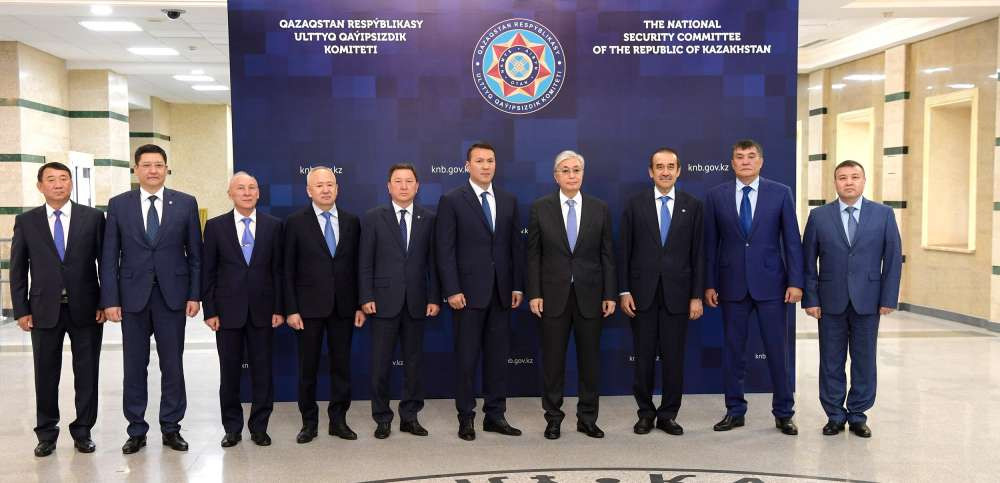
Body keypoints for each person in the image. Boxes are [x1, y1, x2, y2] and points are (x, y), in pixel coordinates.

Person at [102, 144, 203, 453]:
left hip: (172, 297)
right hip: (132, 298)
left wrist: (195, 294)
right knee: (134, 366)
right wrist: (110, 299)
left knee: (172, 366)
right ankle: (136, 429)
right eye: (146, 165)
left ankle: (171, 427)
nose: (153, 170)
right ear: (136, 169)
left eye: (158, 164)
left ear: (166, 168)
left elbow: (196, 255)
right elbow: (109, 257)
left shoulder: (185, 203)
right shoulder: (118, 205)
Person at [703, 139, 804, 436]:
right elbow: (710, 244)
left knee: (777, 352)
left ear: (760, 161)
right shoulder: (716, 196)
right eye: (739, 157)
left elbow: (792, 241)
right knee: (734, 352)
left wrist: (796, 281)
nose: (745, 161)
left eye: (751, 156)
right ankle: (735, 411)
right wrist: (709, 283)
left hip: (772, 285)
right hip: (731, 285)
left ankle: (784, 413)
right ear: (732, 163)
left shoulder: (781, 193)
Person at [10, 162, 106, 457]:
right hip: (42, 310)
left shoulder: (93, 218)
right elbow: (17, 269)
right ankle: (46, 433)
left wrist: (105, 302)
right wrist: (21, 310)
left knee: (87, 373)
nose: (58, 184)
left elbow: (105, 263)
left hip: (87, 308)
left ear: (71, 184)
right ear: (40, 186)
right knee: (45, 374)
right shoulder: (27, 221)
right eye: (51, 179)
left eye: (64, 178)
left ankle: (83, 431)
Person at [802, 160, 902, 438]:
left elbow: (893, 259)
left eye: (855, 177)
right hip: (829, 301)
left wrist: (888, 297)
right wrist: (811, 298)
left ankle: (858, 414)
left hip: (868, 300)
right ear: (835, 182)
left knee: (864, 360)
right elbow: (808, 261)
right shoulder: (819, 216)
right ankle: (834, 415)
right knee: (830, 360)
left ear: (864, 181)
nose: (849, 182)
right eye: (843, 177)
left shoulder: (883, 214)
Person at [436, 142, 524, 441]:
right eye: (479, 161)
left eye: (490, 160)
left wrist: (516, 285)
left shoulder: (509, 200)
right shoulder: (452, 200)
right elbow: (445, 250)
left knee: (498, 359)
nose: (486, 166)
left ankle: (495, 416)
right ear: (467, 165)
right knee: (466, 360)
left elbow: (515, 247)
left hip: (501, 293)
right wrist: (452, 289)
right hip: (467, 295)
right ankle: (466, 418)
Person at [527, 150, 617, 440]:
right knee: (553, 363)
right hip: (552, 297)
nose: (571, 175)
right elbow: (533, 255)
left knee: (589, 363)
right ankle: (553, 418)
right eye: (565, 170)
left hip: (591, 296)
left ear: (583, 174)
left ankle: (587, 419)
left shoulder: (599, 208)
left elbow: (607, 255)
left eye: (576, 170)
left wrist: (610, 294)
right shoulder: (540, 208)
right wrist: (534, 293)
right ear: (556, 176)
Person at [618, 148, 705, 436]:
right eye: (659, 166)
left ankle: (668, 415)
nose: (665, 171)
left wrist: (696, 296)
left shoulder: (693, 206)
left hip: (678, 296)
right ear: (650, 171)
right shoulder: (635, 205)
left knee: (674, 359)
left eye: (670, 166)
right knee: (643, 359)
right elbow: (624, 251)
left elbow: (698, 254)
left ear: (679, 171)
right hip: (641, 296)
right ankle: (645, 413)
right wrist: (624, 291)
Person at [202, 172, 284, 448]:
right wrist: (210, 310)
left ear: (258, 193)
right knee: (229, 374)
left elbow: (279, 271)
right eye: (240, 188)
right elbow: (208, 272)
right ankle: (232, 428)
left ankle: (260, 428)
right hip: (227, 313)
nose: (247, 193)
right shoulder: (215, 227)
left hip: (264, 311)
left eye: (252, 188)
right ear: (230, 194)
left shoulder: (274, 226)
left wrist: (279, 308)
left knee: (263, 373)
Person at [282, 166, 364, 444]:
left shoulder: (352, 221)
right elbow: (286, 270)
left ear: (337, 188)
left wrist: (359, 305)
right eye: (319, 185)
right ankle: (309, 423)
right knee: (308, 369)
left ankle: (338, 421)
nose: (326, 189)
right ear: (309, 191)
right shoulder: (295, 223)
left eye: (330, 184)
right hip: (307, 310)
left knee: (342, 368)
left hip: (344, 308)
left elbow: (358, 267)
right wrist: (291, 309)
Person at [359, 163, 440, 439]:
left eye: (409, 181)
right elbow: (365, 262)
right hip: (382, 302)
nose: (404, 186)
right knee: (380, 365)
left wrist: (434, 297)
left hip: (417, 301)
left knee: (414, 364)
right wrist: (366, 296)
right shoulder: (373, 217)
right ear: (388, 186)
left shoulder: (428, 218)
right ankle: (382, 418)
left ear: (417, 186)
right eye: (398, 181)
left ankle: (410, 417)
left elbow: (433, 262)